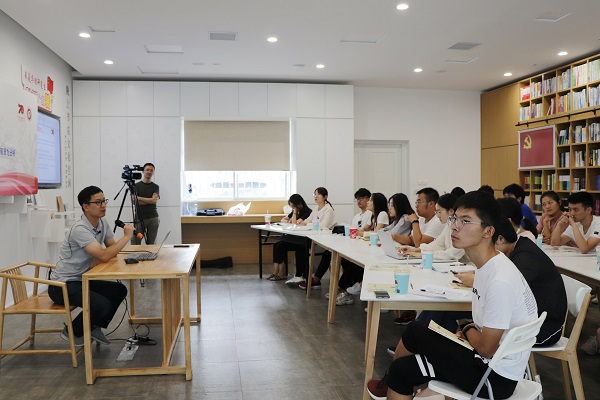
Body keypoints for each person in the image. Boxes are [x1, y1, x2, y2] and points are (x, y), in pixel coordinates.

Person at [368, 191, 538, 400]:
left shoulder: (499, 280)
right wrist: (468, 329)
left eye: (465, 221)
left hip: (493, 378)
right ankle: (390, 384)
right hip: (490, 365)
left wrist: (466, 327)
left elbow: (486, 348)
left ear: (488, 231)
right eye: (455, 219)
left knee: (414, 334)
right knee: (404, 364)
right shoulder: (490, 266)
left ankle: (388, 385)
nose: (455, 227)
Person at [48, 186, 134, 347]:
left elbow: (111, 250)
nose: (103, 205)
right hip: (62, 285)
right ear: (85, 207)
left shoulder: (102, 222)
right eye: (98, 202)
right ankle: (73, 331)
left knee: (119, 290)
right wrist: (126, 237)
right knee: (101, 305)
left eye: (104, 201)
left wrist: (102, 256)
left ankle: (93, 327)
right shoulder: (80, 228)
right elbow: (104, 255)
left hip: (82, 280)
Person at [492, 217, 567, 346]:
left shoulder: (525, 257)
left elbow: (511, 292)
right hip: (531, 321)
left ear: (500, 239)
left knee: (482, 333)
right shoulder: (520, 247)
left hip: (544, 329)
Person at [337, 192, 389, 305]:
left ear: (376, 203)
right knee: (350, 261)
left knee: (356, 263)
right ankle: (347, 288)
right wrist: (360, 232)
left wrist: (360, 233)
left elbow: (377, 234)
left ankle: (348, 289)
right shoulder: (373, 215)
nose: (368, 202)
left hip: (381, 252)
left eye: (370, 200)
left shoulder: (382, 214)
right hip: (373, 247)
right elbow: (364, 230)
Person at [287, 187, 337, 287]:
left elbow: (323, 226)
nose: (316, 196)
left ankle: (305, 276)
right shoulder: (316, 209)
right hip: (315, 237)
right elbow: (308, 220)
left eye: (318, 194)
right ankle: (302, 275)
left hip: (325, 239)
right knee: (300, 245)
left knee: (302, 246)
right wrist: (302, 222)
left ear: (325, 197)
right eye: (315, 194)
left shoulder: (329, 210)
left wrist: (306, 224)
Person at [400, 193, 467, 263]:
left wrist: (421, 254)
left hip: (467, 266)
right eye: (436, 212)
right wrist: (416, 250)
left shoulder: (463, 229)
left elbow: (451, 254)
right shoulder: (448, 226)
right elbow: (437, 244)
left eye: (439, 212)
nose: (437, 216)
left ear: (451, 211)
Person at [267, 194, 312, 281]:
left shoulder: (307, 212)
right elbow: (283, 219)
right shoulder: (296, 210)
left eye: (293, 206)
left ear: (298, 204)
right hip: (294, 238)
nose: (292, 208)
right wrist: (290, 219)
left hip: (302, 240)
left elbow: (295, 223)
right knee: (277, 245)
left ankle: (281, 273)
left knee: (280, 245)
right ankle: (276, 272)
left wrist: (294, 214)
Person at [132, 163, 160, 244]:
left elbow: (154, 201)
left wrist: (139, 198)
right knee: (135, 242)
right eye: (147, 170)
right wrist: (149, 200)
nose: (149, 172)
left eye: (151, 170)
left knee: (151, 243)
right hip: (139, 217)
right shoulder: (136, 186)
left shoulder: (155, 186)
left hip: (153, 217)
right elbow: (134, 202)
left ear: (153, 173)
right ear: (143, 171)